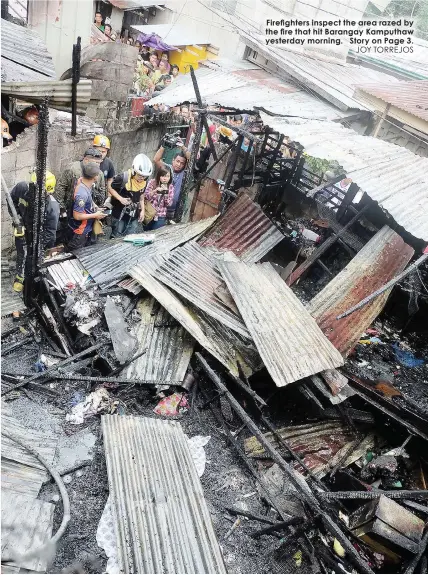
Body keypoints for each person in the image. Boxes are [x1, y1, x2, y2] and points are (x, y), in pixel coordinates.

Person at [9, 171, 58, 292]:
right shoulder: (22, 188)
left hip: (39, 239)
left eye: (46, 193)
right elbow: (11, 200)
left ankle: (34, 282)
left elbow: (50, 232)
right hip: (22, 229)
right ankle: (20, 278)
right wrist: (17, 220)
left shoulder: (51, 206)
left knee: (34, 260)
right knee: (21, 252)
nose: (43, 195)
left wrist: (37, 245)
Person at [110, 154, 152, 237]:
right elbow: (110, 188)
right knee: (117, 236)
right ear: (133, 171)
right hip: (120, 214)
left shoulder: (144, 182)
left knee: (131, 236)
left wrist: (143, 210)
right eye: (139, 175)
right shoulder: (122, 178)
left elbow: (141, 196)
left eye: (144, 176)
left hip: (134, 215)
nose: (142, 178)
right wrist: (120, 198)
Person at [66, 162, 107, 250]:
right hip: (79, 231)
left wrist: (95, 206)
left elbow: (88, 198)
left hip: (86, 228)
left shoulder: (83, 182)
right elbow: (77, 216)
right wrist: (95, 215)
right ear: (95, 177)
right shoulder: (82, 194)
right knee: (75, 254)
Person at [56, 148, 105, 213]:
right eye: (96, 162)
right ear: (86, 160)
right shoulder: (72, 169)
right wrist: (61, 208)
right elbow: (61, 187)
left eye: (99, 163)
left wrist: (100, 206)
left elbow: (102, 189)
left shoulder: (99, 173)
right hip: (71, 207)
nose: (98, 165)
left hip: (90, 209)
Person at [153, 138, 190, 221]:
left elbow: (191, 159)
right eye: (177, 161)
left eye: (182, 163)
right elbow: (156, 159)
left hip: (173, 211)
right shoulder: (167, 168)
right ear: (173, 160)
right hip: (160, 208)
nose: (179, 164)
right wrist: (164, 145)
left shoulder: (184, 173)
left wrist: (183, 147)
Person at [144, 166, 174, 230]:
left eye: (167, 176)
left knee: (156, 235)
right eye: (163, 176)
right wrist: (155, 191)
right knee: (145, 233)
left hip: (160, 215)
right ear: (159, 175)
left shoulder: (170, 187)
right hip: (149, 212)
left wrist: (166, 193)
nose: (165, 178)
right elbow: (146, 196)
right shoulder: (152, 182)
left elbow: (168, 204)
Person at [92, 135, 115, 201]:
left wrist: (109, 195)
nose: (101, 154)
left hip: (101, 195)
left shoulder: (109, 163)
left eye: (103, 152)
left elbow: (110, 179)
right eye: (99, 151)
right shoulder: (88, 161)